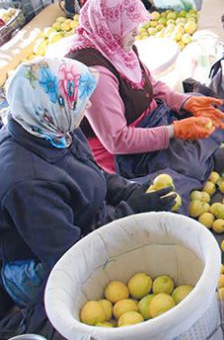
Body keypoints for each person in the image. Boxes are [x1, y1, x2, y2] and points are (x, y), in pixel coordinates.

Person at [0, 57, 176, 338]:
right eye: (80, 99)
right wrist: (130, 210)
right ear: (53, 107)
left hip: (87, 223)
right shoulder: (27, 182)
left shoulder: (56, 128)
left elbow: (94, 172)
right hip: (47, 266)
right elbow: (70, 254)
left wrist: (128, 191)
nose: (90, 104)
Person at [66, 0, 224, 181]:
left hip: (151, 118)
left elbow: (151, 85)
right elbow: (118, 140)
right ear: (110, 24)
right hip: (125, 151)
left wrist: (185, 102)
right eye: (129, 25)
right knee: (189, 166)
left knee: (213, 110)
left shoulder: (116, 45)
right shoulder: (96, 74)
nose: (137, 31)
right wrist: (174, 131)